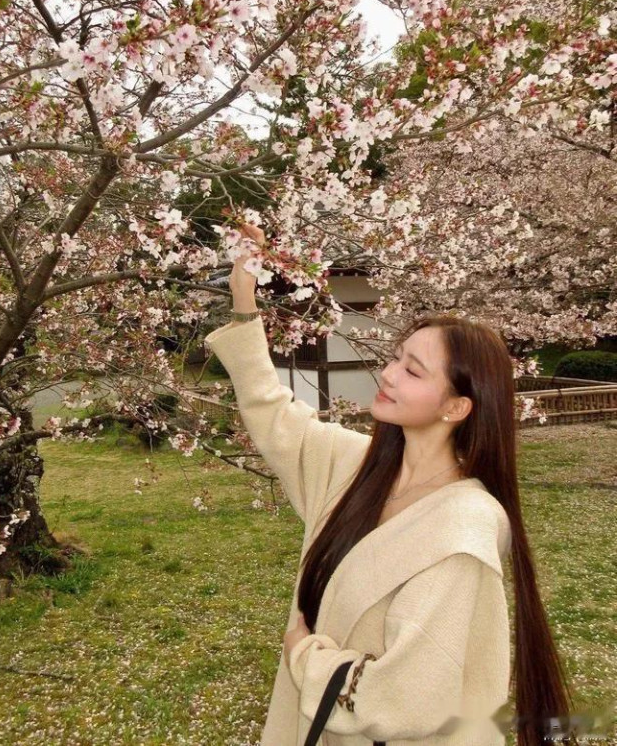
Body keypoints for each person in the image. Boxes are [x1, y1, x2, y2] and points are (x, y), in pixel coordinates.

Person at [203, 223, 580, 746]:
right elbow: (273, 413)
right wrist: (245, 300)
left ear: (457, 407)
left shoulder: (462, 530)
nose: (388, 374)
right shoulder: (355, 466)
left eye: (413, 371)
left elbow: (405, 697)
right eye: (396, 357)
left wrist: (304, 656)